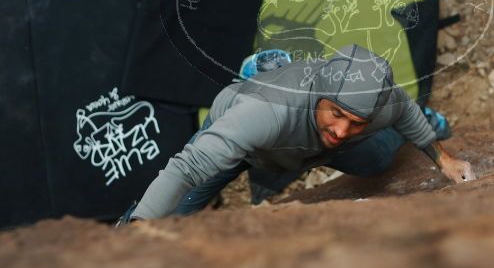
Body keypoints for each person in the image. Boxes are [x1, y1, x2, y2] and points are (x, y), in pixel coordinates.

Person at [118, 44, 475, 224]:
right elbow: (186, 168)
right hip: (250, 141)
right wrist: (136, 226)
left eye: (355, 121)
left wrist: (444, 159)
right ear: (319, 94)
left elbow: (404, 108)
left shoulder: (377, 107)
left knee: (378, 159)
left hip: (303, 145)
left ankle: (433, 121)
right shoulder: (263, 113)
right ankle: (263, 73)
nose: (341, 130)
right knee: (174, 214)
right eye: (336, 113)